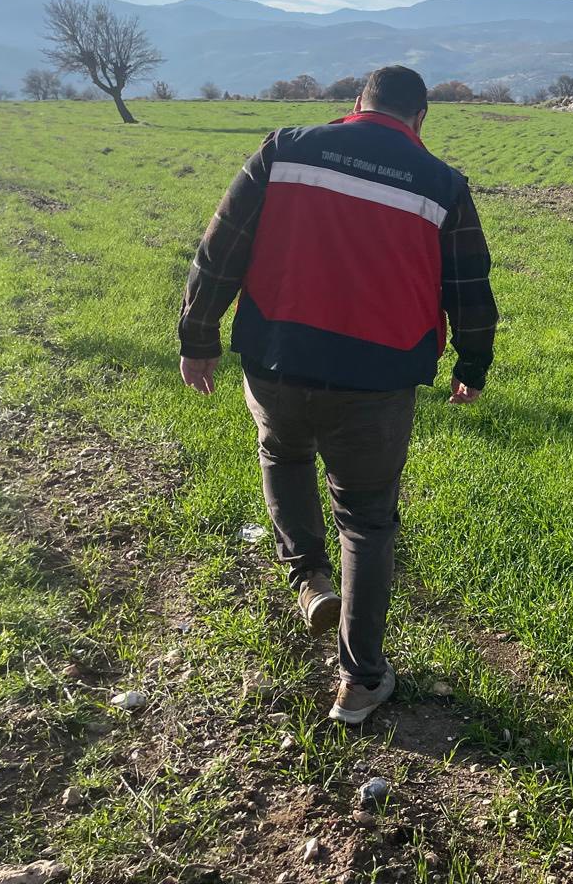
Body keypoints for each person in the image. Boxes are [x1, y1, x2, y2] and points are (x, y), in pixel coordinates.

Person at [176, 65, 497, 723]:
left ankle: (308, 580)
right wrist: (474, 362)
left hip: (276, 358)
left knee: (282, 455)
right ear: (420, 118)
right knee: (368, 521)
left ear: (356, 105)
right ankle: (360, 681)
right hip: (377, 381)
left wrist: (197, 336)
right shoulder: (443, 186)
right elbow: (469, 286)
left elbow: (221, 249)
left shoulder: (284, 149)